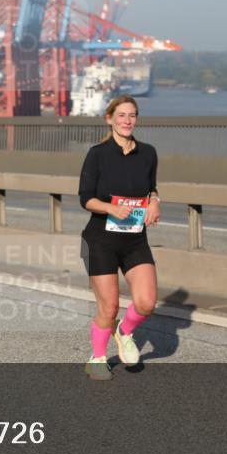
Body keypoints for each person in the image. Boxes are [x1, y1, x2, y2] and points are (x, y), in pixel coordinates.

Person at [78, 95, 160, 380]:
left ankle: (124, 333)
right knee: (109, 306)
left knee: (147, 302)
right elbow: (85, 199)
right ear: (109, 118)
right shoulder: (97, 154)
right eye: (122, 115)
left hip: (135, 239)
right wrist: (112, 208)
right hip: (100, 240)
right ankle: (97, 358)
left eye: (132, 115)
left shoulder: (148, 153)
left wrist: (155, 201)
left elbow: (151, 188)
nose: (127, 121)